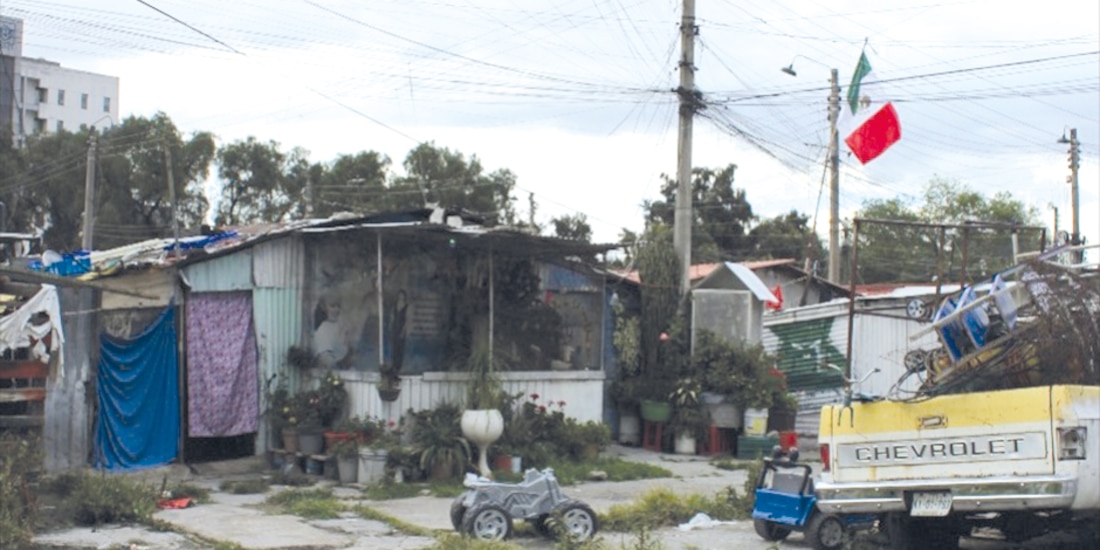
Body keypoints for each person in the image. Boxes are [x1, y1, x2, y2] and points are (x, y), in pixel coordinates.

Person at [313, 293, 355, 369]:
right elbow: (326, 361)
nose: (337, 309)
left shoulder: (341, 325)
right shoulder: (323, 329)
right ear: (324, 308)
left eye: (338, 306)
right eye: (332, 306)